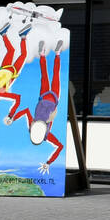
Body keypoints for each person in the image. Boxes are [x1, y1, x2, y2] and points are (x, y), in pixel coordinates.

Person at [5, 40, 66, 176]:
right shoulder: (34, 128)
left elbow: (59, 146)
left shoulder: (47, 135)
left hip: (50, 98)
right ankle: (43, 55)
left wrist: (49, 162)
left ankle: (55, 54)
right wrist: (12, 118)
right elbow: (25, 111)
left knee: (54, 75)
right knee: (46, 75)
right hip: (45, 97)